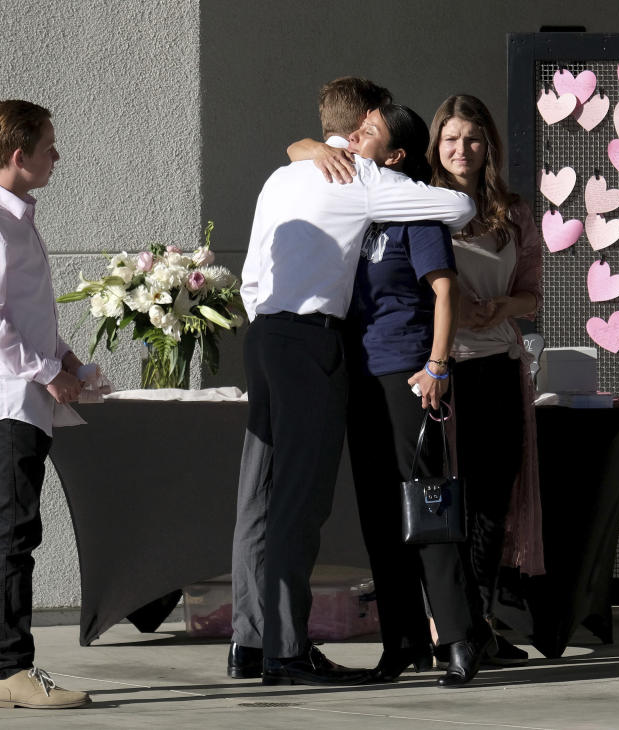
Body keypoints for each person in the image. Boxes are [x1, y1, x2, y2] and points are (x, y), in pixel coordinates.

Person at [230, 78, 476, 686]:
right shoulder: (352, 179)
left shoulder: (299, 177)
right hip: (317, 347)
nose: (358, 140)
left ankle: (259, 642)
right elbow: (459, 208)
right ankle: (295, 651)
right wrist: (320, 152)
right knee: (310, 502)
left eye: (372, 132)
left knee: (271, 497)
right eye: (360, 130)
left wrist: (307, 149)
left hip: (298, 343)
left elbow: (252, 274)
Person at [0, 100, 91, 708]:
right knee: (14, 531)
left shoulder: (15, 219)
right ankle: (12, 668)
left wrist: (67, 358)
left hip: (18, 400)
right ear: (18, 155)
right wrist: (46, 370)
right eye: (48, 145)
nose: (56, 154)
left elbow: (26, 314)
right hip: (5, 402)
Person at [343, 103, 490, 687]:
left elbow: (445, 293)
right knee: (380, 515)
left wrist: (437, 365)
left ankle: (459, 637)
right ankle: (400, 641)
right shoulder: (354, 208)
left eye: (368, 132)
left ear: (396, 155)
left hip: (409, 373)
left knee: (426, 509)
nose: (354, 139)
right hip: (360, 377)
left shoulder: (417, 213)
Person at [426, 94, 544, 666]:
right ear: (435, 143)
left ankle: (480, 618)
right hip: (443, 371)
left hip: (498, 365)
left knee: (494, 502)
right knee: (451, 499)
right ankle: (454, 624)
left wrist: (500, 308)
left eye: (472, 139)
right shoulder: (419, 202)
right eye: (451, 138)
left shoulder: (514, 211)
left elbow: (533, 291)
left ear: (488, 145)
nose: (461, 150)